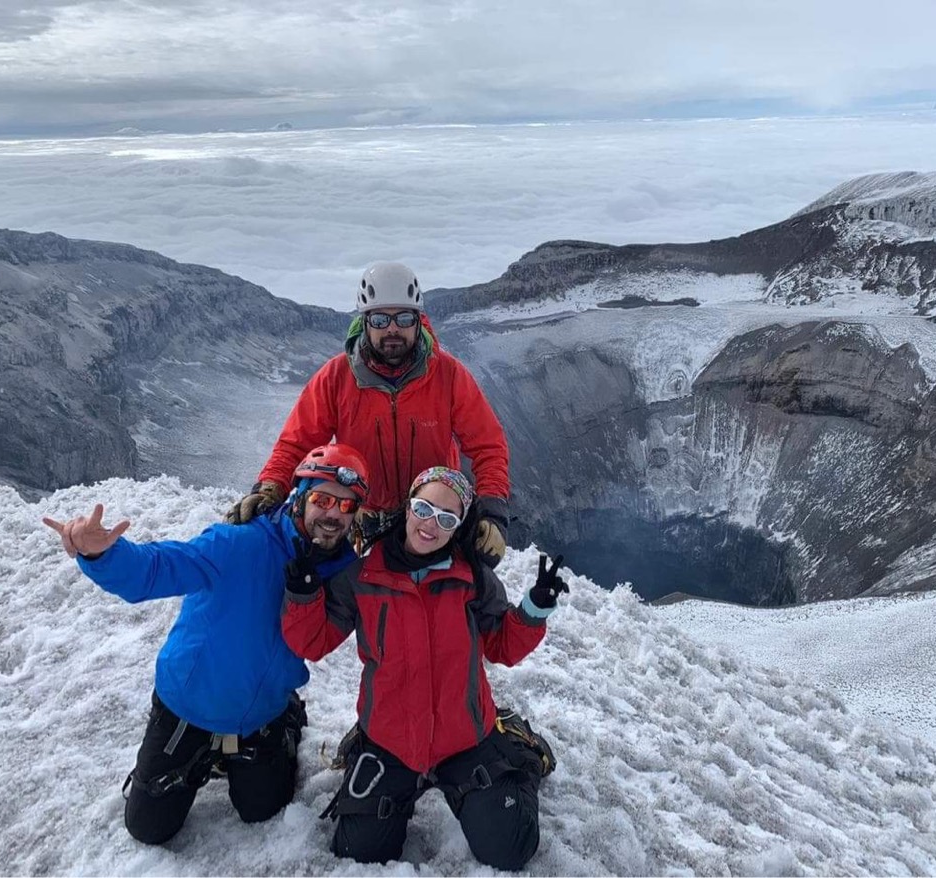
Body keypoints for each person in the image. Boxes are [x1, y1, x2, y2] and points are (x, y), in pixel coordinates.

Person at [42, 444, 369, 846]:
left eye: (347, 506)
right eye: (322, 499)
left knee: (263, 809)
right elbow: (157, 568)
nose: (334, 514)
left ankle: (285, 719)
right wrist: (102, 555)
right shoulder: (237, 544)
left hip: (260, 714)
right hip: (187, 707)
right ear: (298, 496)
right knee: (148, 827)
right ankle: (204, 753)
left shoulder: (341, 572)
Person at [281, 466, 569, 870]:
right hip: (391, 740)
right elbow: (312, 642)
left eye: (447, 518)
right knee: (358, 851)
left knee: (511, 847)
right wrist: (303, 593)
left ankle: (517, 747)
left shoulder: (473, 579)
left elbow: (502, 646)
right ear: (408, 506)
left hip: (464, 737)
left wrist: (534, 608)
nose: (432, 523)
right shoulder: (362, 576)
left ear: (459, 526)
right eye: (424, 508)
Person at [226, 262, 511, 567]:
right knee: (349, 602)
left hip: (430, 517)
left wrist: (492, 511)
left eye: (403, 318)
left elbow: (488, 447)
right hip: (361, 517)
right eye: (379, 319)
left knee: (452, 599)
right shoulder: (336, 377)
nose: (392, 329)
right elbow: (297, 444)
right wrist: (271, 486)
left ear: (418, 320)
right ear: (364, 322)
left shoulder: (448, 375)